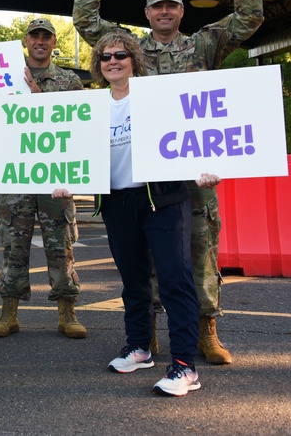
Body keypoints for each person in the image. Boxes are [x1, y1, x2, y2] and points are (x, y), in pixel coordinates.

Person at [72, 0, 263, 364]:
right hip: (143, 181)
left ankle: (205, 331)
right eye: (157, 6)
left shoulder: (202, 44)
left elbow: (250, 16)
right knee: (145, 262)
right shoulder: (128, 48)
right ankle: (147, 336)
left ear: (181, 10)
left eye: (171, 5)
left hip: (191, 176)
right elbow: (84, 19)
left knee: (200, 251)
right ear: (146, 12)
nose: (164, 11)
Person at [52, 31, 220, 397]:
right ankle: (139, 347)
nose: (113, 61)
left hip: (163, 200)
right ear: (98, 65)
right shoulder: (92, 105)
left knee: (175, 281)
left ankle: (185, 366)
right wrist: (63, 179)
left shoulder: (158, 96)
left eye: (121, 55)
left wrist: (204, 169)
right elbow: (72, 147)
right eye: (106, 57)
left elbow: (192, 132)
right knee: (134, 280)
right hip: (117, 202)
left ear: (134, 61)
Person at [0, 18, 87, 340]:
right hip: (17, 177)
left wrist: (38, 99)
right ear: (26, 41)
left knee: (61, 247)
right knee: (13, 248)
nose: (40, 41)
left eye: (46, 36)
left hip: (55, 178)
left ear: (54, 42)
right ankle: (9, 313)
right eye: (35, 36)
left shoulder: (69, 81)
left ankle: (67, 312)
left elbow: (80, 126)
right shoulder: (5, 79)